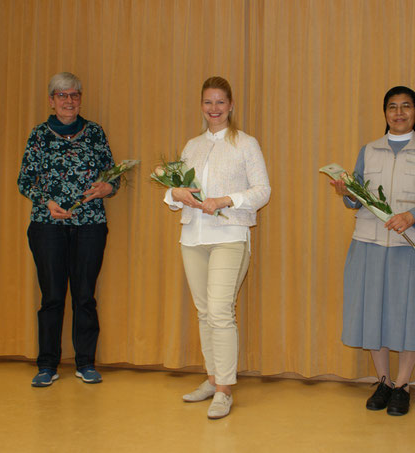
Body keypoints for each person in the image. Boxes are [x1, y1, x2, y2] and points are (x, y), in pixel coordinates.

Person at [331, 86, 415, 416]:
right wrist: (347, 192)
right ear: (385, 114)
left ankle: (403, 384)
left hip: (411, 246)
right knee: (374, 313)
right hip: (369, 243)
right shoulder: (369, 151)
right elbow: (355, 196)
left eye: (406, 107)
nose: (399, 113)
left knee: (411, 314)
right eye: (392, 107)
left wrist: (413, 216)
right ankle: (383, 381)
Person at [163, 76, 270, 420]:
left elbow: (262, 191)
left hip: (230, 235)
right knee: (205, 312)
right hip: (193, 238)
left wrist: (227, 199)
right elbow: (177, 193)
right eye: (208, 102)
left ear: (231, 106)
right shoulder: (191, 145)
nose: (214, 109)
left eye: (220, 102)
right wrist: (173, 195)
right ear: (201, 106)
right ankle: (212, 379)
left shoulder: (246, 144)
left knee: (221, 311)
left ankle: (224, 390)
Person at [18, 72, 119, 387]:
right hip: (47, 227)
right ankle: (47, 365)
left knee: (85, 296)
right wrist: (46, 201)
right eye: (62, 95)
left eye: (74, 94)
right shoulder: (38, 135)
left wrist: (107, 188)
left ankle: (85, 363)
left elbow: (112, 175)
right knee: (52, 297)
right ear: (51, 100)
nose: (69, 100)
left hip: (90, 226)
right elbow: (24, 181)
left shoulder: (95, 133)